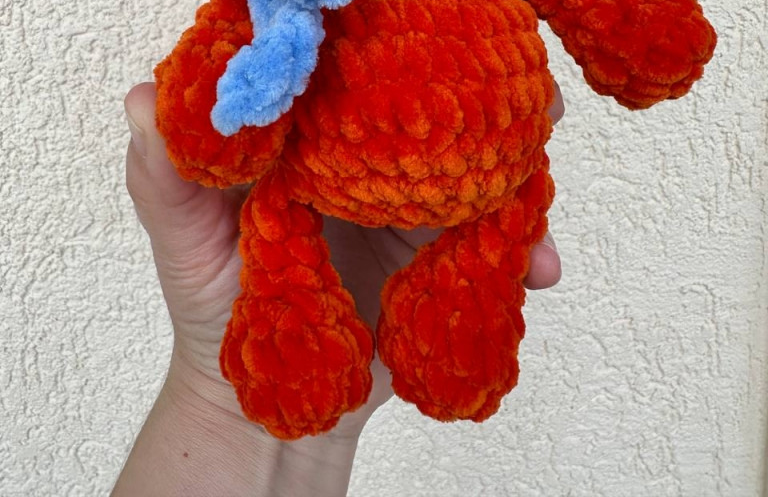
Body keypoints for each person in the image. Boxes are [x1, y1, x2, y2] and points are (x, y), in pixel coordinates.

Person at [112, 82, 563, 497]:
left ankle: (460, 312)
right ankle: (295, 343)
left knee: (513, 168)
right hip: (307, 172)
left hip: (383, 171)